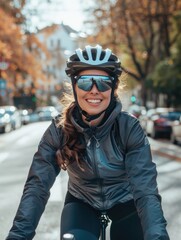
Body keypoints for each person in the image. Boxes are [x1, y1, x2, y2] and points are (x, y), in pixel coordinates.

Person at [6, 45, 170, 240]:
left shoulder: (129, 128)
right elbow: (37, 187)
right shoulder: (59, 130)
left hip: (127, 203)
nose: (94, 91)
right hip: (82, 202)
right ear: (74, 87)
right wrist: (18, 236)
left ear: (113, 88)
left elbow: (146, 191)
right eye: (85, 82)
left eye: (103, 83)